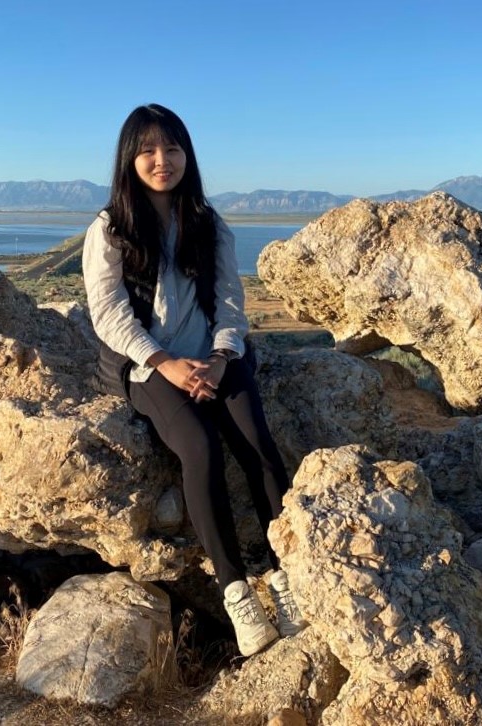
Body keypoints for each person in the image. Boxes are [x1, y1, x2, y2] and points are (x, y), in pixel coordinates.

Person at [82, 103, 307, 656]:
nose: (163, 161)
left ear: (188, 154)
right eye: (150, 150)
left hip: (217, 358)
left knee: (259, 449)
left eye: (174, 148)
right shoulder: (110, 228)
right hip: (148, 366)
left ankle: (286, 580)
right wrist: (165, 363)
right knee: (201, 449)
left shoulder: (210, 223)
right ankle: (237, 594)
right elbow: (108, 312)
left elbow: (231, 302)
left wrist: (223, 357)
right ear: (130, 158)